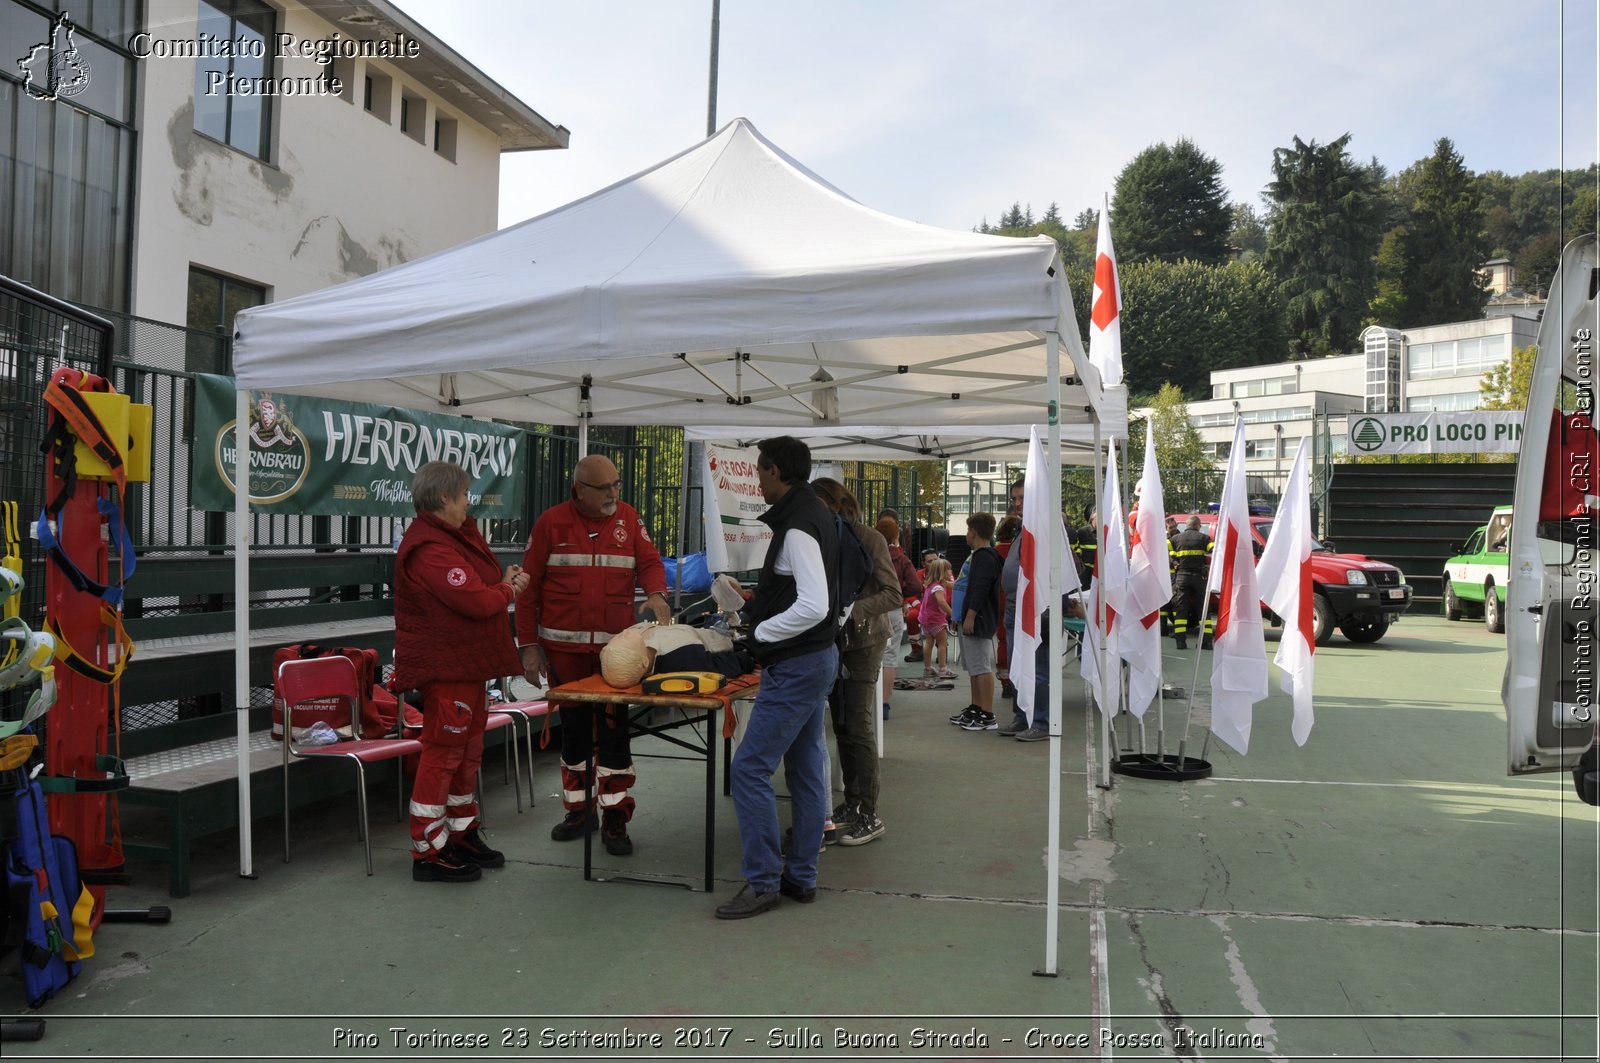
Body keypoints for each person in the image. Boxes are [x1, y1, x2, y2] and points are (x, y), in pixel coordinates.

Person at [516, 454, 671, 858]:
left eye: (617, 485)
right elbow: (527, 591)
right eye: (604, 488)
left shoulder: (628, 519)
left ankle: (615, 816)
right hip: (563, 654)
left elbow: (650, 561)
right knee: (574, 732)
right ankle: (578, 811)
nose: (613, 494)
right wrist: (528, 646)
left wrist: (656, 592)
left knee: (615, 733)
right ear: (578, 490)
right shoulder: (550, 523)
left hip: (614, 657)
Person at [716, 436, 839, 919]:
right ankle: (801, 877)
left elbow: (814, 603)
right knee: (807, 770)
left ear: (775, 473)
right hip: (814, 658)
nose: (757, 480)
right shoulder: (812, 514)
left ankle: (764, 880)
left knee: (748, 769)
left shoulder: (798, 526)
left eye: (760, 472)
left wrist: (759, 635)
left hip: (798, 663)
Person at [394, 461, 528, 883]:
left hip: (466, 664)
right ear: (445, 498)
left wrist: (500, 583)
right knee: (443, 754)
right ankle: (428, 851)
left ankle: (460, 832)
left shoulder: (452, 537)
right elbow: (475, 600)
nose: (469, 503)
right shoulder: (431, 548)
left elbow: (477, 586)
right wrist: (508, 589)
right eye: (465, 495)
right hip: (447, 666)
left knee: (467, 753)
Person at [812, 479, 901, 846]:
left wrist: (852, 611)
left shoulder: (869, 538)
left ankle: (869, 813)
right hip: (833, 644)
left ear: (837, 504)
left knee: (860, 727)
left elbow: (893, 593)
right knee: (844, 726)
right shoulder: (819, 537)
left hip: (864, 643)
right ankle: (853, 802)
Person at [950, 512, 1003, 731]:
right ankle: (976, 706)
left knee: (981, 667)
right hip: (966, 617)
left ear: (973, 532)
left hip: (977, 619)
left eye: (968, 530)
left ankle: (988, 713)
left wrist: (971, 615)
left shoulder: (985, 557)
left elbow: (980, 589)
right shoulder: (978, 556)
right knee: (973, 667)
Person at [877, 516, 922, 721]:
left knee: (868, 656)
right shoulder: (901, 558)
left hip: (871, 608)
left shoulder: (869, 552)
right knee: (889, 657)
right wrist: (900, 594)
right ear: (895, 536)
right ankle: (884, 703)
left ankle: (868, 701)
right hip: (893, 609)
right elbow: (915, 586)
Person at [1170, 516, 1214, 650]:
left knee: (1181, 609)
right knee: (1203, 609)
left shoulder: (1175, 539)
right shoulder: (1204, 538)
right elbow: (1214, 551)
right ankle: (1206, 642)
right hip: (1199, 577)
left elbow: (1169, 554)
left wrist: (1176, 562)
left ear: (1186, 526)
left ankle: (1180, 642)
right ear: (1198, 525)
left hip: (1182, 576)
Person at [918, 559, 954, 678]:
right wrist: (951, 613)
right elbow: (941, 602)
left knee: (929, 642)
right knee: (942, 644)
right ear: (942, 572)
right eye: (949, 569)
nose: (951, 571)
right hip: (936, 620)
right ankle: (942, 669)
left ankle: (927, 668)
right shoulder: (938, 588)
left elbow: (952, 585)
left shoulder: (931, 585)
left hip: (926, 621)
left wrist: (961, 583)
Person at [905, 546, 940, 664]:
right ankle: (917, 650)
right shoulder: (917, 574)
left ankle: (942, 651)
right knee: (911, 616)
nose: (934, 563)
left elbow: (950, 596)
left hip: (941, 608)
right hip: (922, 608)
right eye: (930, 561)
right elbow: (910, 594)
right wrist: (921, 608)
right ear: (923, 564)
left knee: (940, 616)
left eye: (936, 560)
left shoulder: (946, 573)